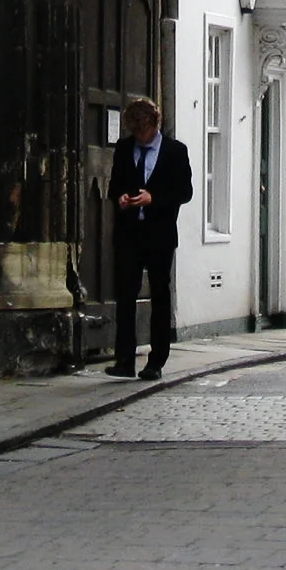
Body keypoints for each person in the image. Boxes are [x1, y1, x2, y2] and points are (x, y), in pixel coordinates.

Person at [107, 96, 192, 380]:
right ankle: (124, 359)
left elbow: (184, 192)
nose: (139, 138)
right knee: (125, 294)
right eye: (135, 132)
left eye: (143, 132)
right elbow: (113, 186)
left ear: (155, 125)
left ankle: (156, 361)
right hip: (129, 233)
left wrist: (153, 198)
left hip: (160, 234)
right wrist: (120, 198)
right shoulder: (123, 149)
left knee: (159, 294)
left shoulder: (175, 151)